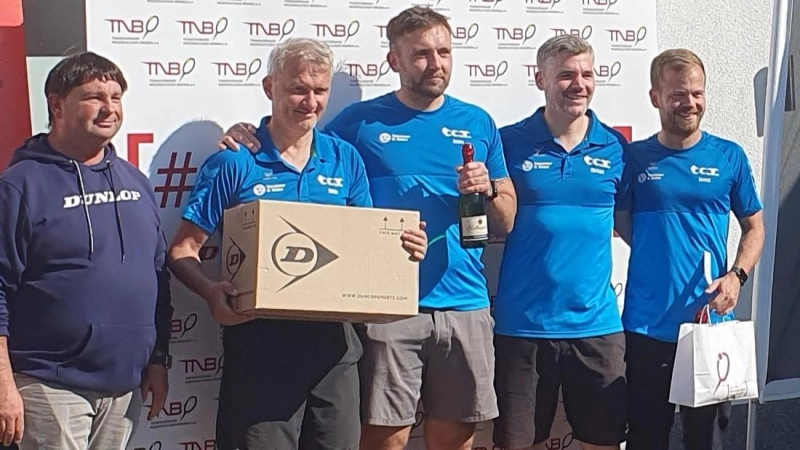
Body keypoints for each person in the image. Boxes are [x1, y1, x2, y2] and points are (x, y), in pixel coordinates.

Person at [220, 6, 517, 449]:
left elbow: (505, 221)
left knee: (455, 439)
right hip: (387, 308)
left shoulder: (478, 122)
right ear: (394, 60)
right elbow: (298, 136)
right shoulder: (359, 123)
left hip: (466, 302)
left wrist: (490, 190)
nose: (435, 63)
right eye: (420, 54)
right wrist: (246, 133)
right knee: (384, 439)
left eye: (444, 52)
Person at [168, 37, 428, 450]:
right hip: (260, 346)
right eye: (298, 89)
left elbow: (365, 247)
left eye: (319, 90)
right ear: (271, 88)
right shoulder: (234, 161)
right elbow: (182, 250)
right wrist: (211, 292)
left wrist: (404, 249)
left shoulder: (345, 159)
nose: (310, 101)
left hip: (335, 349)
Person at [0, 52, 173, 450]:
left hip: (125, 388)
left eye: (116, 96)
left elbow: (157, 277)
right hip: (48, 384)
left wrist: (158, 359)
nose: (109, 108)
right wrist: (5, 385)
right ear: (57, 104)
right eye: (94, 96)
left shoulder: (135, 180)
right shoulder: (19, 186)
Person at [615, 49, 765, 450]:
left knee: (705, 441)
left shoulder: (728, 156)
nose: (690, 103)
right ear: (655, 97)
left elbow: (755, 228)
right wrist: (659, 250)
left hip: (709, 326)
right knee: (648, 438)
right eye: (679, 94)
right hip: (648, 327)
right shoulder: (634, 158)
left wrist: (737, 276)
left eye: (697, 93)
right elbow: (622, 222)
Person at [490, 35, 628, 450]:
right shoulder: (508, 141)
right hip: (523, 325)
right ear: (540, 79)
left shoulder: (616, 147)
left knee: (603, 442)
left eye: (587, 74)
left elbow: (638, 225)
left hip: (598, 325)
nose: (578, 84)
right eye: (566, 74)